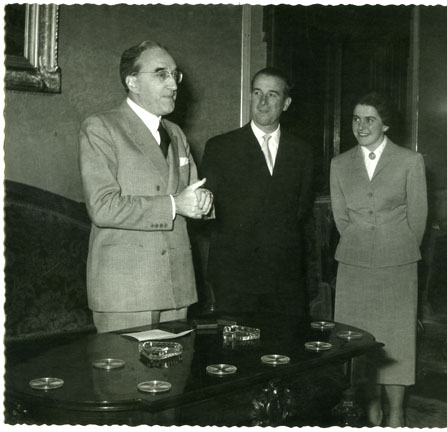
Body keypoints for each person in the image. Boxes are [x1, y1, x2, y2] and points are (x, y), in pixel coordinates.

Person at [79, 41, 213, 333]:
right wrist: (175, 205)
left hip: (176, 288)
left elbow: (191, 193)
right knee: (126, 365)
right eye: (161, 74)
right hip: (127, 291)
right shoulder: (101, 127)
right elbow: (102, 207)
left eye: (175, 75)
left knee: (178, 364)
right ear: (133, 82)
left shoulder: (176, 133)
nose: (173, 84)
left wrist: (203, 200)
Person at [330, 91, 428, 427]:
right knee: (359, 342)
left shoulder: (409, 161)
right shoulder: (340, 164)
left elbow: (418, 219)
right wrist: (362, 243)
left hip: (398, 265)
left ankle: (396, 413)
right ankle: (371, 412)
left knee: (397, 342)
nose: (361, 126)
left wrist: (395, 248)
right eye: (356, 119)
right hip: (354, 265)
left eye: (369, 119)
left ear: (385, 124)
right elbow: (341, 219)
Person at [199, 67, 314, 318]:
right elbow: (207, 215)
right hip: (234, 279)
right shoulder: (221, 147)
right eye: (257, 93)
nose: (262, 102)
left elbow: (301, 212)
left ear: (286, 103)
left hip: (285, 278)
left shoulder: (302, 152)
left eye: (272, 95)